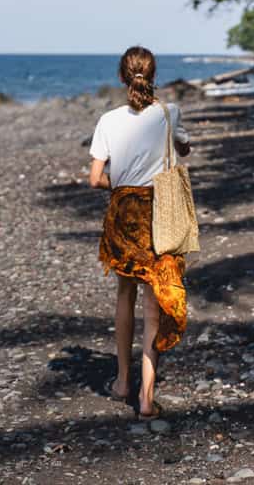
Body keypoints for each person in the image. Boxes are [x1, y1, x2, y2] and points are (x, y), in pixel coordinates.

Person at [88, 45, 191, 419]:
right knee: (154, 301)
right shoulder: (170, 113)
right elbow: (185, 149)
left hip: (123, 213)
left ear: (121, 76)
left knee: (124, 292)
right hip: (159, 212)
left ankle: (121, 382)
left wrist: (122, 181)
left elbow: (96, 179)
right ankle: (147, 397)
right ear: (154, 75)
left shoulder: (108, 120)